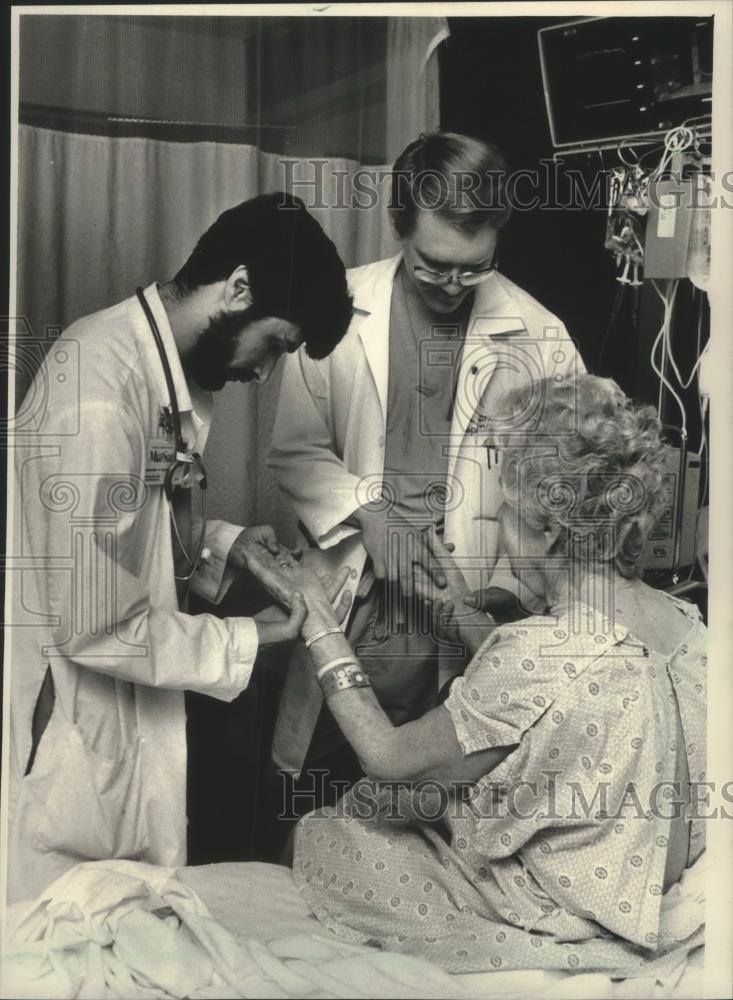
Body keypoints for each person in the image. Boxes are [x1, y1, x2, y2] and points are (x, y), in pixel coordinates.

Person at [272, 373, 706, 973]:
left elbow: (390, 755)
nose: (499, 523)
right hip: (649, 882)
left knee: (335, 827)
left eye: (505, 506)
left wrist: (320, 622)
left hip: (561, 910)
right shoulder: (691, 628)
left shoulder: (545, 650)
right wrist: (463, 614)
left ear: (550, 528)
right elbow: (558, 695)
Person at [6, 193, 353, 902]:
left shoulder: (157, 369)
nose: (263, 374)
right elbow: (96, 622)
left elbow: (126, 533)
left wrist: (225, 546)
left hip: (118, 723)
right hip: (77, 741)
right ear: (238, 288)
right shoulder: (101, 396)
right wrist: (247, 640)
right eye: (275, 345)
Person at [268, 132, 584, 792]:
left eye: (473, 267)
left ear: (496, 234)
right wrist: (367, 513)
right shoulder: (339, 312)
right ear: (399, 227)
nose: (451, 285)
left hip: (467, 610)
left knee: (435, 813)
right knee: (320, 788)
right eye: (432, 264)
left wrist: (501, 591)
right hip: (357, 597)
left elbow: (560, 488)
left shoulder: (541, 336)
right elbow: (295, 451)